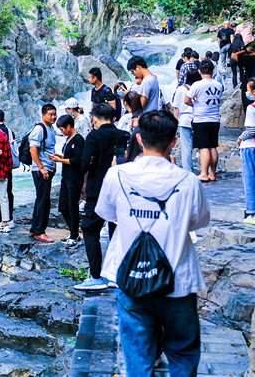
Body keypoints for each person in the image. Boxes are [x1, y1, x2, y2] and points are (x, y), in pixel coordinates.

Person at [96, 111, 210, 377]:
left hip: (130, 276)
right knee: (183, 352)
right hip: (178, 280)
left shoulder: (117, 175)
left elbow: (107, 214)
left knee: (137, 355)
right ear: (173, 142)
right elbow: (198, 221)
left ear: (138, 138)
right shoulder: (189, 181)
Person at [75, 103, 130, 290]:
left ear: (94, 119)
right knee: (118, 232)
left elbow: (85, 164)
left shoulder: (94, 136)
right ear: (114, 118)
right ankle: (117, 275)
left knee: (90, 230)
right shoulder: (124, 136)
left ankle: (96, 276)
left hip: (98, 190)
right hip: (122, 191)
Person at [185, 60, 223, 182]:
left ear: (200, 71)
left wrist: (193, 103)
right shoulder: (218, 85)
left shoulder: (196, 85)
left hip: (200, 119)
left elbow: (187, 100)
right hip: (215, 119)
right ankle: (212, 173)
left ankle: (203, 173)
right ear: (213, 71)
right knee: (213, 147)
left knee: (204, 148)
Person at [50, 114, 84, 247]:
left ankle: (75, 235)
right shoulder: (69, 138)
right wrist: (61, 156)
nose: (62, 132)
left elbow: (77, 159)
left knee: (72, 207)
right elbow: (70, 156)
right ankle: (73, 233)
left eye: (62, 129)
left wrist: (60, 160)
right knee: (63, 206)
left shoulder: (78, 139)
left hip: (75, 177)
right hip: (66, 177)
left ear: (69, 126)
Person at [29, 103, 58, 242]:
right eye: (50, 114)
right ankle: (40, 231)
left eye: (54, 114)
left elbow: (49, 149)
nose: (53, 117)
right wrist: (41, 167)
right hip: (41, 170)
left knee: (41, 199)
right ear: (43, 115)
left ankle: (34, 229)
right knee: (44, 200)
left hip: (47, 168)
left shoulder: (50, 128)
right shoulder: (39, 129)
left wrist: (54, 164)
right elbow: (33, 149)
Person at [173, 70, 202, 173]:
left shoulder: (180, 89)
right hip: (198, 118)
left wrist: (175, 122)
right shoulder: (199, 88)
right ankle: (207, 168)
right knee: (202, 146)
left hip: (184, 120)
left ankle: (188, 170)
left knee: (186, 147)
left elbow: (176, 108)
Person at [0, 109, 17, 227]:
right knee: (8, 191)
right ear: (3, 118)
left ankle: (1, 220)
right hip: (8, 165)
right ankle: (10, 219)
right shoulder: (9, 131)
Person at [237, 78, 255, 225]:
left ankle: (251, 212)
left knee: (249, 179)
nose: (247, 93)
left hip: (250, 146)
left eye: (248, 91)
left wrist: (240, 137)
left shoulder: (251, 108)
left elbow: (251, 130)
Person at [232, 41, 255, 108]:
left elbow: (234, 55)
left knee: (247, 107)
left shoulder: (247, 59)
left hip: (247, 85)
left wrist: (244, 51)